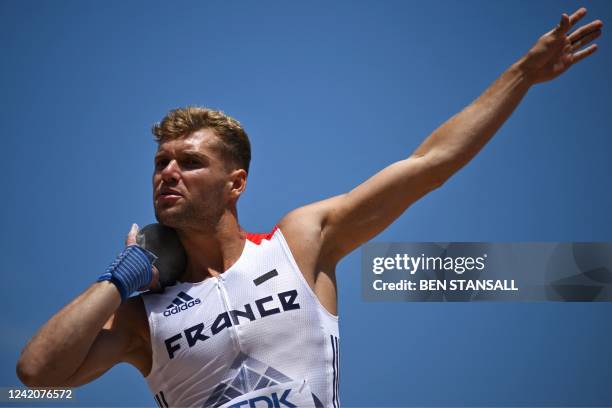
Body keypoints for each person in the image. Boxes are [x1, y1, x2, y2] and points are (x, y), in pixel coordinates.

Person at [16, 8, 603, 408]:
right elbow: (35, 378)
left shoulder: (302, 242)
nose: (168, 172)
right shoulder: (145, 315)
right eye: (161, 162)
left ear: (235, 183)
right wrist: (120, 280)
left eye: (190, 162)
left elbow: (429, 164)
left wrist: (522, 76)